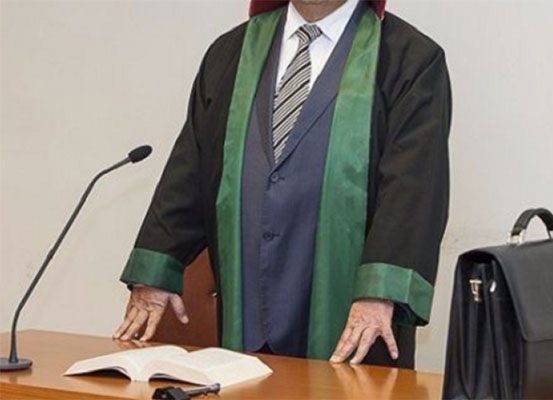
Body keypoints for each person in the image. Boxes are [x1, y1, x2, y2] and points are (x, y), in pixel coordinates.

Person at [113, 0, 451, 368]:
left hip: (350, 323)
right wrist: (155, 271)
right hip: (246, 312)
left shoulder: (410, 59)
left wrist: (379, 295)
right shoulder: (231, 53)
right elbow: (191, 165)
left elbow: (414, 188)